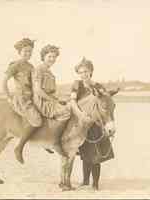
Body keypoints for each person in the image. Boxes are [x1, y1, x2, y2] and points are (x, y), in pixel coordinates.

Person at [70, 57, 114, 190]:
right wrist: (81, 115)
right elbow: (72, 102)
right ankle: (85, 181)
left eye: (86, 71)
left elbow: (105, 101)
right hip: (82, 122)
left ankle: (95, 183)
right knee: (85, 154)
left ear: (91, 72)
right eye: (81, 72)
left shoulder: (98, 86)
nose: (83, 74)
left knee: (96, 154)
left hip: (96, 123)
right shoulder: (77, 84)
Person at [3, 38, 42, 164]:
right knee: (37, 120)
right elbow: (4, 82)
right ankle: (19, 147)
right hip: (21, 98)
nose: (28, 54)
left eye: (30, 52)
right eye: (25, 51)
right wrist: (8, 97)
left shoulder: (31, 66)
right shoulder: (15, 65)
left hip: (32, 97)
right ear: (20, 52)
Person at [32, 44, 71, 156]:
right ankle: (53, 141)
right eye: (49, 56)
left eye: (54, 57)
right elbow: (38, 90)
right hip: (41, 101)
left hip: (48, 99)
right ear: (43, 56)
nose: (52, 59)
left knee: (68, 105)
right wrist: (53, 101)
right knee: (66, 112)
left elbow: (52, 91)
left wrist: (59, 99)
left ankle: (58, 138)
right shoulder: (39, 70)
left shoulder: (49, 71)